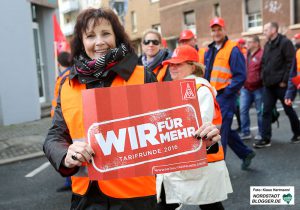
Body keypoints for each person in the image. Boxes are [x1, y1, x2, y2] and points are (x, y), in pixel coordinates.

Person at [43, 8, 222, 210]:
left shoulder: (142, 76)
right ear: (82, 42)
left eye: (106, 33)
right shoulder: (68, 84)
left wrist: (202, 142)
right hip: (85, 198)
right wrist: (65, 154)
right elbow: (54, 136)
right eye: (90, 36)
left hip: (136, 199)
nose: (99, 41)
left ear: (117, 37)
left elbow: (169, 129)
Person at [156, 45, 232, 210]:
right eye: (171, 64)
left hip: (201, 160)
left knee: (208, 204)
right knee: (170, 200)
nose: (173, 68)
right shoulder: (181, 87)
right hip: (186, 159)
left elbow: (196, 126)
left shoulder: (200, 89)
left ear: (193, 66)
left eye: (178, 64)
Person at [204, 17, 255, 169]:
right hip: (212, 96)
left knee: (219, 133)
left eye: (219, 29)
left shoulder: (233, 48)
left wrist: (227, 92)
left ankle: (218, 169)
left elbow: (241, 75)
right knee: (225, 130)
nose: (216, 32)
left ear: (224, 30)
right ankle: (246, 153)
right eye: (213, 30)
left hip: (225, 97)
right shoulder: (210, 50)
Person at [254, 22, 300, 148]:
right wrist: (264, 77)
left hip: (281, 85)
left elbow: (291, 64)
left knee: (288, 109)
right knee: (266, 111)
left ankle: (298, 133)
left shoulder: (285, 43)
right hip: (268, 85)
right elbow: (264, 63)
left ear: (274, 30)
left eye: (266, 29)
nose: (264, 32)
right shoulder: (267, 44)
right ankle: (265, 139)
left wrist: (285, 80)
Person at [51, 51, 72, 192]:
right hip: (62, 120)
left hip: (65, 121)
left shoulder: (66, 77)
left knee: (68, 150)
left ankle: (70, 182)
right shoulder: (67, 75)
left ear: (58, 63)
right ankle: (69, 181)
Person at [239, 35, 264, 141]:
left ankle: (261, 133)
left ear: (256, 43)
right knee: (243, 110)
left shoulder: (262, 54)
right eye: (246, 42)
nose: (246, 44)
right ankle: (246, 132)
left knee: (260, 112)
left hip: (259, 88)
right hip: (246, 88)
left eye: (249, 42)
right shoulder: (246, 55)